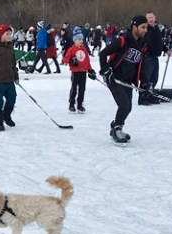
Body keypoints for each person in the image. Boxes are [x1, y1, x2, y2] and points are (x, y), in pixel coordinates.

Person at [99, 15, 149, 145]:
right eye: (143, 27)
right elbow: (103, 53)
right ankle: (117, 130)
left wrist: (145, 82)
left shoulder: (141, 44)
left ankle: (116, 126)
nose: (145, 30)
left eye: (146, 27)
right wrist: (105, 69)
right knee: (124, 105)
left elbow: (140, 65)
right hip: (114, 78)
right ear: (134, 27)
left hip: (127, 80)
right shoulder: (122, 40)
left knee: (128, 107)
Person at [62, 32, 97, 113]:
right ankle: (71, 104)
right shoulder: (71, 49)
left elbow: (87, 61)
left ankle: (80, 104)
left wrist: (90, 70)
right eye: (79, 39)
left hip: (83, 73)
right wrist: (71, 60)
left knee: (82, 89)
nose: (81, 41)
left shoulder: (84, 49)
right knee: (74, 89)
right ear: (75, 40)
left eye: (82, 39)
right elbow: (65, 60)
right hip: (75, 73)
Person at [140, 11, 164, 105]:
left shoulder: (156, 28)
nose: (150, 19)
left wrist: (165, 49)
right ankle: (142, 97)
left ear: (155, 18)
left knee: (154, 78)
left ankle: (150, 95)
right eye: (148, 18)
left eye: (151, 17)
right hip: (147, 57)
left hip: (155, 56)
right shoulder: (146, 29)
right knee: (146, 78)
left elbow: (159, 42)